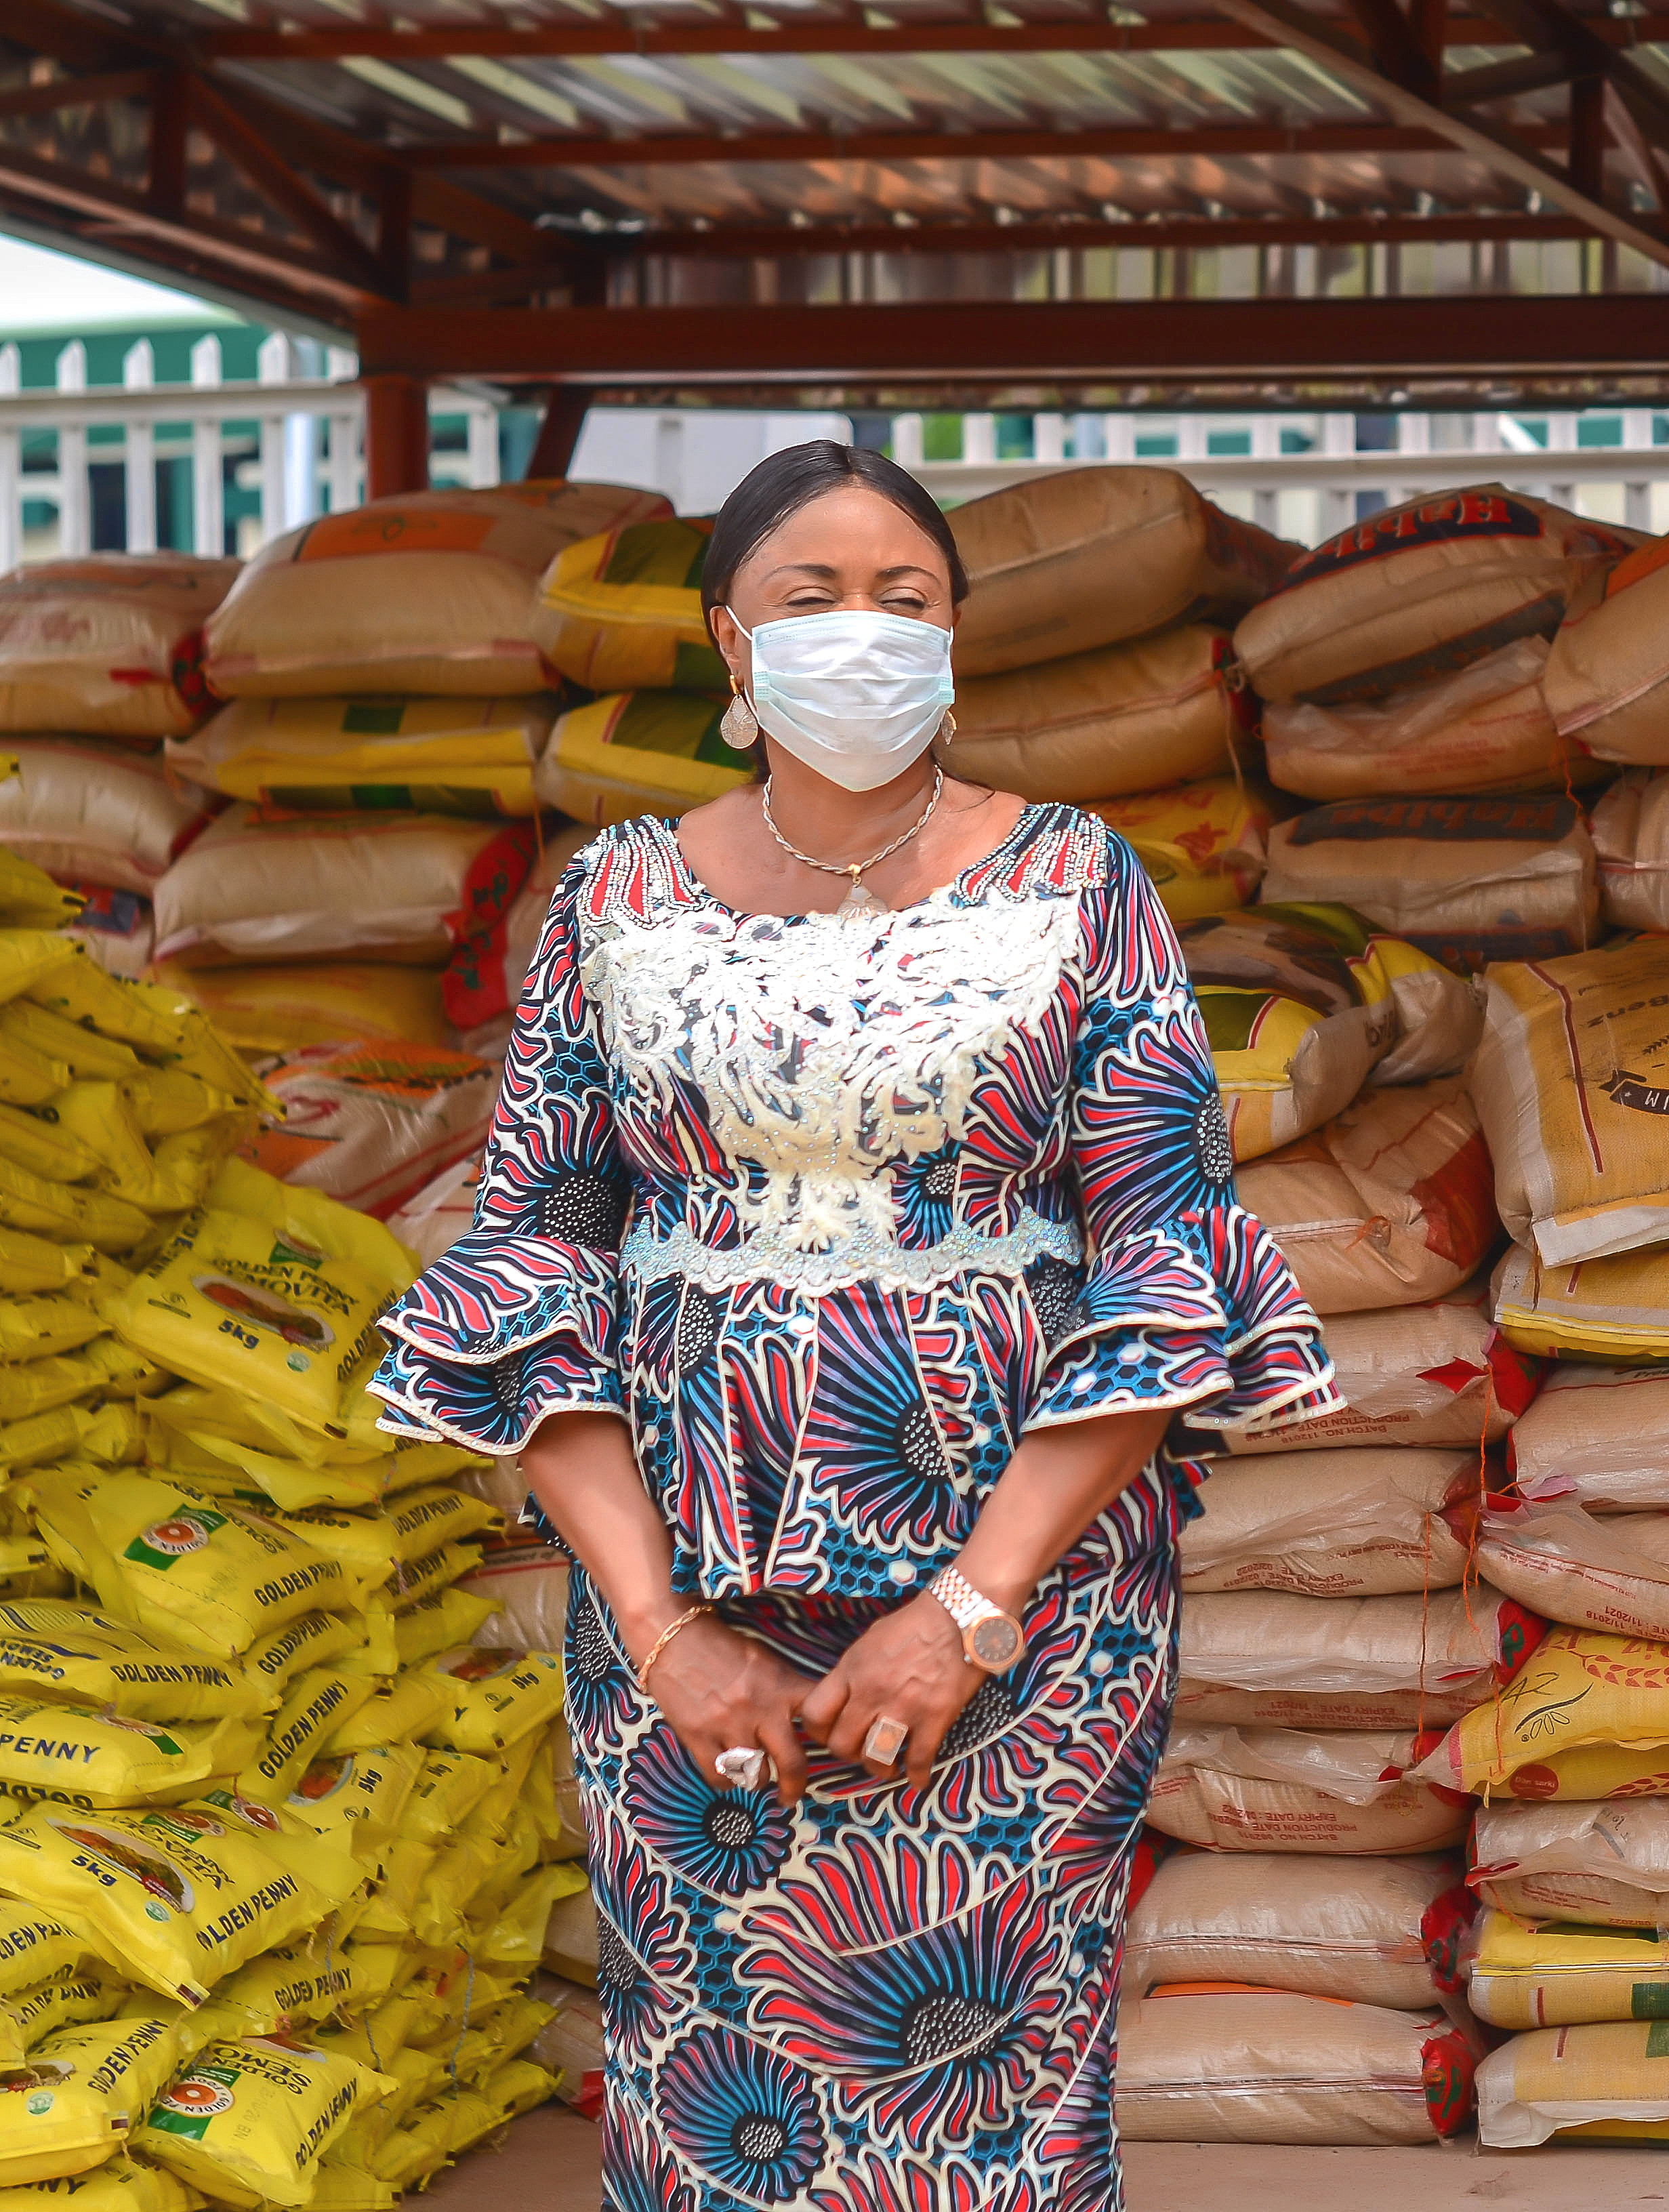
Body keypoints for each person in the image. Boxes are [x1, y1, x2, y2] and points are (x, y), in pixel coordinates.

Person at [367, 443, 1334, 2209]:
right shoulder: (609, 905)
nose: (866, 634)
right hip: (685, 1635)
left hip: (1026, 1629)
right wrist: (656, 1630)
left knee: (994, 2106)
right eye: (813, 600)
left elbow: (1167, 1260)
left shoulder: (1080, 885)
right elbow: (530, 1277)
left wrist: (968, 1611)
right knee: (709, 2085)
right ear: (730, 651)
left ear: (958, 642)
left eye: (910, 599)